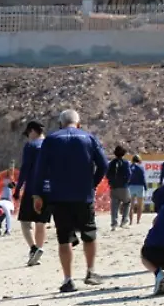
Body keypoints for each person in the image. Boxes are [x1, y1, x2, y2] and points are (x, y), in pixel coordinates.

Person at [33, 109, 108, 293]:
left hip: (59, 196)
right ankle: (90, 272)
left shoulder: (51, 140)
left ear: (60, 124)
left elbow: (40, 169)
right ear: (78, 124)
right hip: (84, 195)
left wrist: (37, 194)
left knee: (64, 237)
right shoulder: (89, 138)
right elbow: (104, 165)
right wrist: (93, 184)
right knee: (89, 233)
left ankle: (68, 279)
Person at [15, 121, 50, 267]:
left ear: (32, 131)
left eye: (28, 134)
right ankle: (38, 251)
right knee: (41, 223)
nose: (28, 137)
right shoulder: (51, 145)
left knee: (25, 222)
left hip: (32, 189)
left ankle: (34, 248)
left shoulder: (31, 146)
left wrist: (17, 189)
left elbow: (25, 168)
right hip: (48, 188)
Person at [107, 145, 133, 230]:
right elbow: (129, 174)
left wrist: (111, 182)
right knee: (127, 203)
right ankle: (124, 222)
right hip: (123, 187)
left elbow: (107, 174)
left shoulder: (111, 163)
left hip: (113, 187)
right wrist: (126, 181)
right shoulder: (125, 162)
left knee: (114, 206)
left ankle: (114, 224)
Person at [128, 155, 147, 225]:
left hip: (131, 186)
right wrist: (145, 187)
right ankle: (138, 221)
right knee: (140, 205)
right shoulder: (141, 167)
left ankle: (130, 221)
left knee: (131, 205)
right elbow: (143, 178)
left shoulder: (129, 167)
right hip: (139, 186)